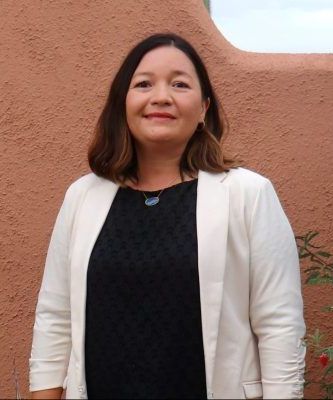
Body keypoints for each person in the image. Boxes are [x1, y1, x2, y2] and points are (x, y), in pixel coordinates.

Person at [29, 33, 305, 399]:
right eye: (144, 84)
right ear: (123, 103)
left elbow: (280, 326)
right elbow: (54, 316)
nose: (161, 96)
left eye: (179, 84)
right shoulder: (82, 197)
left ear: (204, 107)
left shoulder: (248, 195)